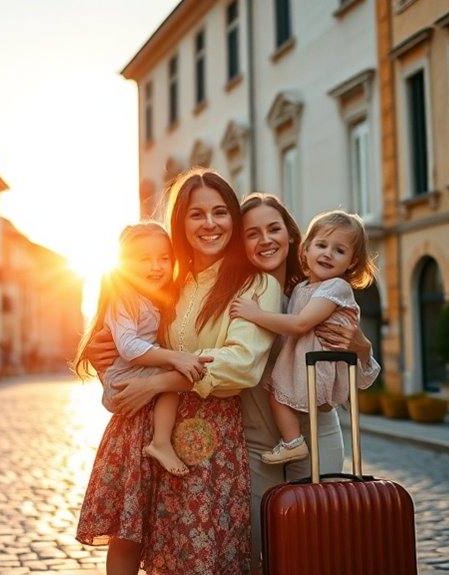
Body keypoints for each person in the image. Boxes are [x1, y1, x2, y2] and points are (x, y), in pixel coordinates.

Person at [77, 168, 282, 575]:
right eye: (196, 214)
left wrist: (156, 382)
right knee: (144, 542)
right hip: (152, 432)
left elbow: (241, 364)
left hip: (211, 438)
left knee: (201, 552)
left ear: (234, 219)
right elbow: (124, 334)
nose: (209, 224)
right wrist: (101, 357)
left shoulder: (254, 284)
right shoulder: (170, 281)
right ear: (181, 224)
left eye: (220, 212)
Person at [236, 194, 381, 573]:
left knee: (317, 544)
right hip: (256, 443)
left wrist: (363, 347)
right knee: (257, 548)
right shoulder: (235, 294)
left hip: (319, 432)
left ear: (290, 236)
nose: (265, 239)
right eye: (252, 233)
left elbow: (358, 376)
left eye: (274, 228)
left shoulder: (321, 290)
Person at [231, 209, 377, 464]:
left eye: (339, 251)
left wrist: (253, 314)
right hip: (294, 378)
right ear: (307, 249)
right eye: (321, 245)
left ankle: (292, 442)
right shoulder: (301, 288)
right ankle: (293, 441)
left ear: (352, 261)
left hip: (315, 370)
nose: (328, 254)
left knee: (276, 391)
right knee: (275, 391)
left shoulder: (336, 287)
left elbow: (299, 324)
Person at [72, 221, 211, 477]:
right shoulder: (124, 298)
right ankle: (160, 442)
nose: (156, 267)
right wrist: (175, 357)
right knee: (180, 375)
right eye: (144, 259)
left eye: (164, 258)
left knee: (175, 374)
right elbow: (128, 347)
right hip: (125, 383)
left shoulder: (154, 299)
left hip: (134, 380)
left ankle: (160, 440)